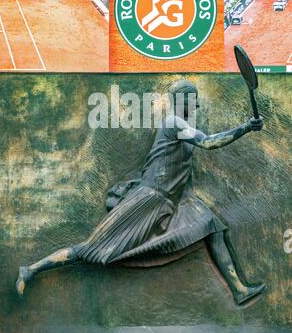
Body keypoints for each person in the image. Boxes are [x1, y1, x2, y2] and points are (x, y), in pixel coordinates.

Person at [16, 80, 266, 305]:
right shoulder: (174, 123)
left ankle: (239, 290)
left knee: (214, 227)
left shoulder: (182, 125)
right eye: (193, 98)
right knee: (92, 249)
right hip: (149, 201)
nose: (197, 103)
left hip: (173, 202)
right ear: (182, 101)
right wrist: (245, 128)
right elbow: (209, 142)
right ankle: (32, 269)